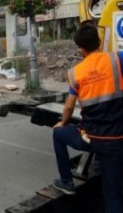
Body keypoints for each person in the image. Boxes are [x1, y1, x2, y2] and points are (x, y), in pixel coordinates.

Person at [52, 25, 123, 213]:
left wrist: (63, 122)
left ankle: (66, 181)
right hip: (118, 138)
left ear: (81, 48)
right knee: (112, 195)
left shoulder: (76, 72)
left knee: (58, 134)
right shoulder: (118, 59)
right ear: (99, 41)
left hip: (92, 138)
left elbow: (68, 106)